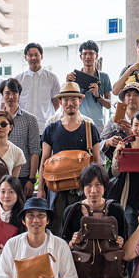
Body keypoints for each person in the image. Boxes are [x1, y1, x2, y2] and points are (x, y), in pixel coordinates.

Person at [61, 164, 128, 278]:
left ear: (105, 186)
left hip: (106, 273)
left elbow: (124, 241)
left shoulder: (115, 210)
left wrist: (120, 241)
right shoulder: (72, 211)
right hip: (81, 276)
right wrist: (71, 243)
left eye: (98, 185)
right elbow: (62, 244)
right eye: (89, 185)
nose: (93, 190)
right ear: (82, 187)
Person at [38, 82, 101, 235]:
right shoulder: (51, 128)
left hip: (82, 190)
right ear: (60, 102)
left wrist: (97, 190)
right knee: (58, 232)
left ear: (80, 101)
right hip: (57, 190)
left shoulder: (89, 128)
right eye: (65, 99)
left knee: (84, 232)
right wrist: (40, 189)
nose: (70, 103)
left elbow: (97, 164)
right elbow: (44, 161)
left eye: (74, 99)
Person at [0, 78, 41, 197]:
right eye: (7, 93)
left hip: (24, 176)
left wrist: (32, 179)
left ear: (19, 95)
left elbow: (34, 151)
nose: (11, 97)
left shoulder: (30, 119)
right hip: (1, 175)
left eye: (14, 93)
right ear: (2, 95)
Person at [101, 82, 139, 161]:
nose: (132, 98)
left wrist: (132, 134)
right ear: (124, 99)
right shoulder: (114, 119)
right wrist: (109, 142)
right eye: (128, 95)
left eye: (136, 95)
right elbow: (100, 142)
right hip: (119, 163)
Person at [66, 40, 112, 133]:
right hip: (77, 121)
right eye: (85, 54)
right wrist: (68, 83)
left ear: (96, 56)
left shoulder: (103, 77)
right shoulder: (74, 77)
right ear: (80, 56)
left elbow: (108, 104)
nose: (88, 57)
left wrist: (98, 95)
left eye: (91, 53)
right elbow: (66, 101)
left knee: (97, 147)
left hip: (97, 123)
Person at [14, 42, 61, 130]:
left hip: (45, 125)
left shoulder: (52, 77)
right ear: (25, 58)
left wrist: (46, 114)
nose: (33, 58)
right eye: (30, 55)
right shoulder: (19, 79)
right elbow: (16, 101)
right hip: (24, 125)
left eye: (36, 55)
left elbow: (56, 102)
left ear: (41, 56)